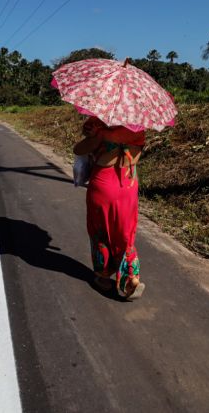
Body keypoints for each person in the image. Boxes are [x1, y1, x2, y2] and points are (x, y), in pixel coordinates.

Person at [74, 116, 146, 299]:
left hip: (103, 186)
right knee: (125, 234)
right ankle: (131, 278)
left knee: (100, 233)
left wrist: (94, 136)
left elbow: (79, 149)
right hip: (128, 186)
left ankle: (103, 277)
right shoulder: (139, 129)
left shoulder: (98, 126)